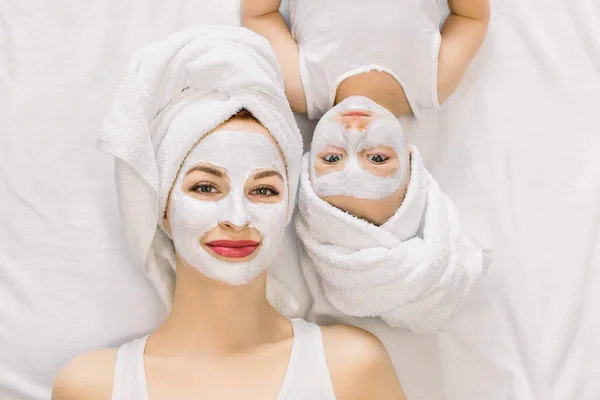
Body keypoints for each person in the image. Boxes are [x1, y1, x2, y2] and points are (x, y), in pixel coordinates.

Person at [52, 27, 406, 400]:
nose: (238, 218)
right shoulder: (92, 386)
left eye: (263, 190)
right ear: (164, 209)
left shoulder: (350, 368)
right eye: (205, 187)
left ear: (287, 209)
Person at [242, 0, 490, 224]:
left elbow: (259, 14)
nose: (353, 133)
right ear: (410, 161)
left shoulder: (301, 87)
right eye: (377, 158)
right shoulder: (432, 84)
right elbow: (471, 18)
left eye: (332, 158)